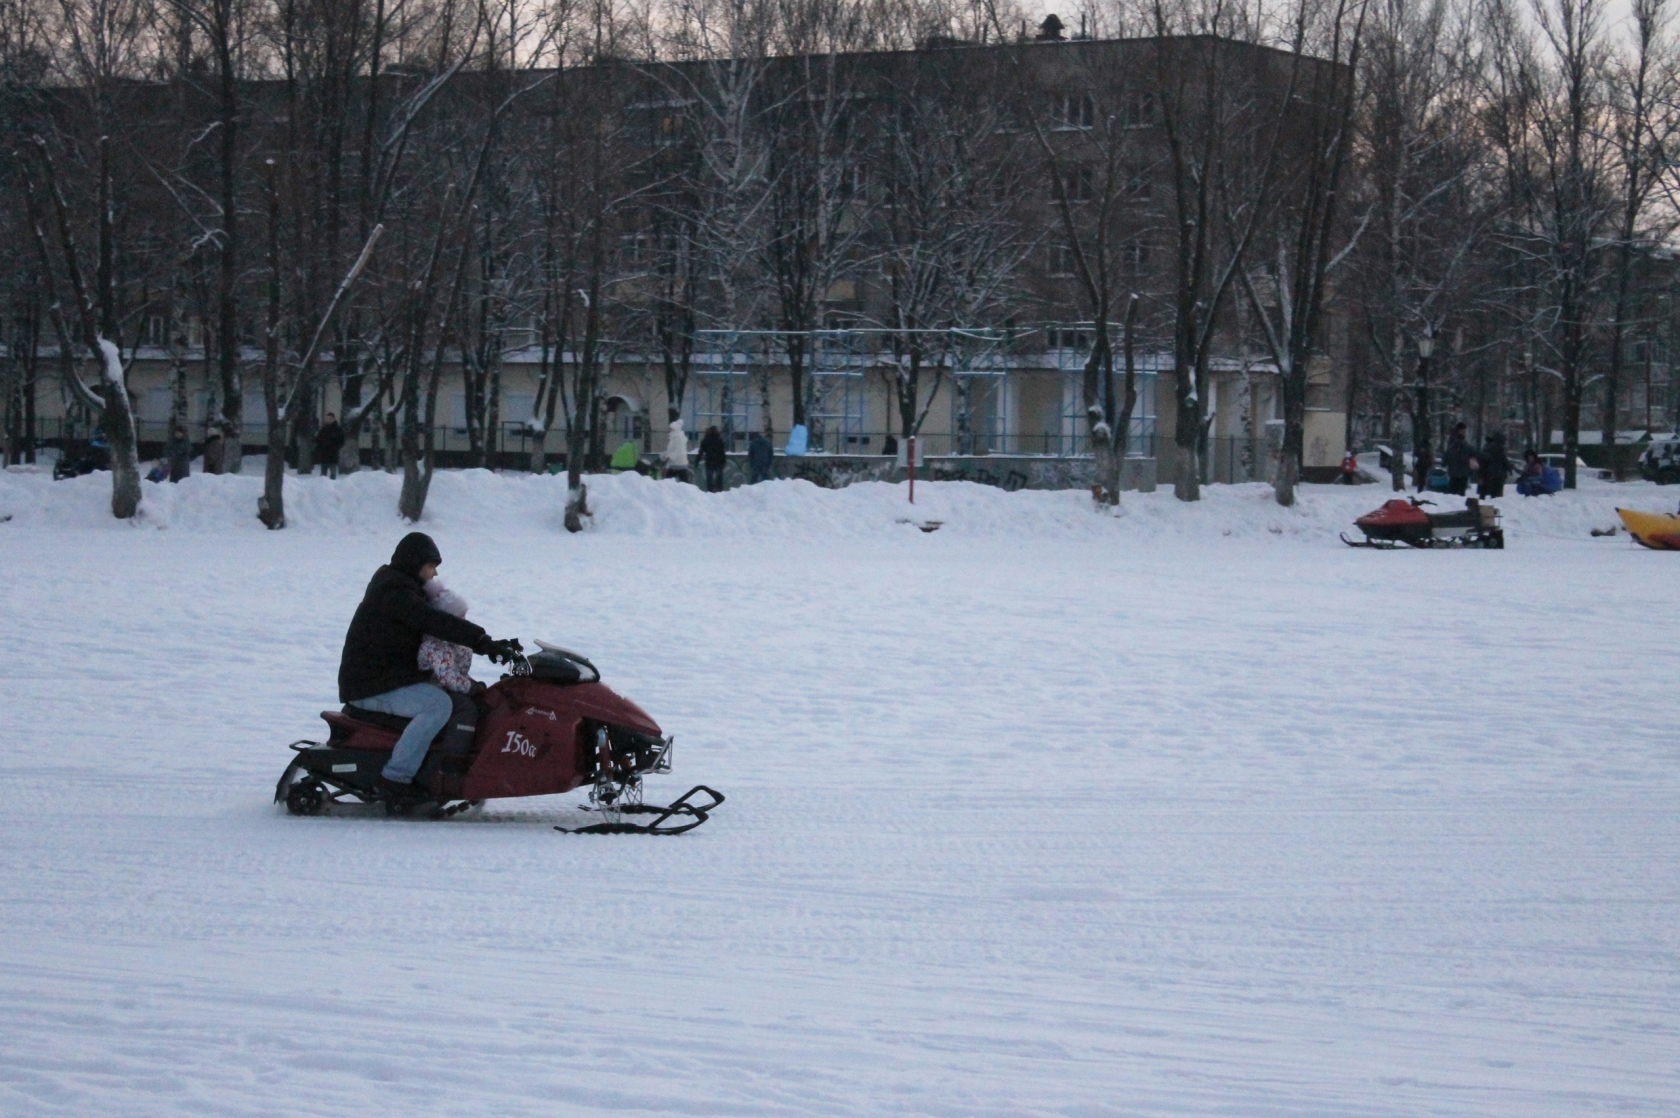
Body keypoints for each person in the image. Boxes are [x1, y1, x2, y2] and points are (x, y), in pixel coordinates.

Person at [338, 532, 520, 800]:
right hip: (370, 687)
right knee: (438, 705)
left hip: (385, 680)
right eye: (431, 566)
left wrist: (488, 643)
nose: (434, 574)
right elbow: (434, 621)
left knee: (447, 699)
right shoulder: (395, 594)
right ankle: (395, 777)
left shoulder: (399, 588)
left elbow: (440, 624)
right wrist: (482, 641)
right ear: (415, 563)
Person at [1441, 423, 1476, 496]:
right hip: (1461, 471)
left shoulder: (1452, 441)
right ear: (1459, 430)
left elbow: (1447, 453)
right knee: (1459, 493)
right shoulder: (1460, 442)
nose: (1464, 432)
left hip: (1454, 471)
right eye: (1463, 431)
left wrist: (1444, 462)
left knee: (1453, 492)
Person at [1477, 430, 1508, 499]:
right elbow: (1505, 463)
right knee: (1496, 498)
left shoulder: (1486, 448)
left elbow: (1482, 462)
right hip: (1498, 476)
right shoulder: (1501, 450)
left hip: (1487, 475)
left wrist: (1480, 475)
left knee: (1483, 496)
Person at [315, 412, 345, 479]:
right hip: (324, 455)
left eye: (330, 419)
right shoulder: (323, 429)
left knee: (333, 474)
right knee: (323, 475)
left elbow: (341, 441)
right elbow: (318, 440)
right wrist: (320, 447)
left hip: (333, 455)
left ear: (334, 419)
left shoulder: (338, 429)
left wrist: (335, 447)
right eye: (327, 419)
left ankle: (332, 487)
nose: (329, 420)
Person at [699, 425, 728, 492]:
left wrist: (697, 462)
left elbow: (701, 452)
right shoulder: (719, 440)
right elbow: (722, 452)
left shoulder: (706, 440)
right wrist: (724, 461)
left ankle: (710, 491)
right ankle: (720, 491)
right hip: (719, 462)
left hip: (709, 462)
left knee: (709, 478)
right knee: (719, 478)